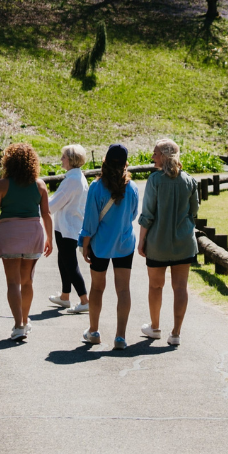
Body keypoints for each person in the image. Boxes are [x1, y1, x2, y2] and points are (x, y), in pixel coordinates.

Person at [0, 142, 53, 340]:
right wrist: (50, 238)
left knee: (13, 282)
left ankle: (18, 324)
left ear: (9, 162)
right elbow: (46, 214)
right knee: (27, 281)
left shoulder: (2, 185)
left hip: (10, 234)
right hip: (32, 235)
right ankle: (26, 319)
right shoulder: (40, 185)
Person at [137, 137, 199, 346]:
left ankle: (155, 328)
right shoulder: (189, 180)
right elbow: (194, 210)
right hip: (184, 243)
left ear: (163, 156)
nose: (152, 157)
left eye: (155, 153)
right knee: (180, 287)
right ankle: (176, 333)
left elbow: (147, 215)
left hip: (157, 243)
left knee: (155, 286)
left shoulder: (154, 180)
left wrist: (141, 240)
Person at [78, 144, 140, 349]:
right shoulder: (132, 188)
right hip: (124, 243)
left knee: (97, 287)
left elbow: (90, 221)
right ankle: (120, 337)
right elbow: (133, 215)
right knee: (123, 289)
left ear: (105, 161)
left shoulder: (96, 187)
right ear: (125, 164)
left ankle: (94, 331)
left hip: (100, 244)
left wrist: (85, 245)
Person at [48, 144, 90, 313]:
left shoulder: (72, 180)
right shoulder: (77, 177)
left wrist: (39, 205)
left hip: (68, 227)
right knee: (64, 260)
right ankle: (65, 296)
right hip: (68, 225)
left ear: (71, 160)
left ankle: (84, 300)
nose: (61, 159)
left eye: (64, 157)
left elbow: (54, 203)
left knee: (70, 264)